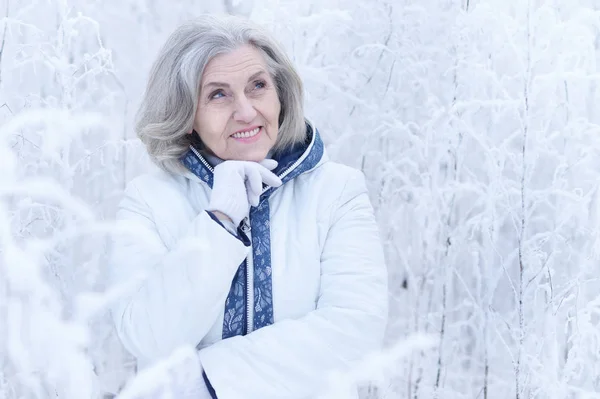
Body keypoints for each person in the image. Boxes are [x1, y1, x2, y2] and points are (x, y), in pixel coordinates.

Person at [108, 14, 388, 399]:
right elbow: (148, 337)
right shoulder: (149, 201)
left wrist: (206, 379)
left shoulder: (337, 192)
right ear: (187, 115)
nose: (245, 111)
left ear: (280, 95)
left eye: (257, 86)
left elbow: (356, 329)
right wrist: (219, 221)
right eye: (218, 94)